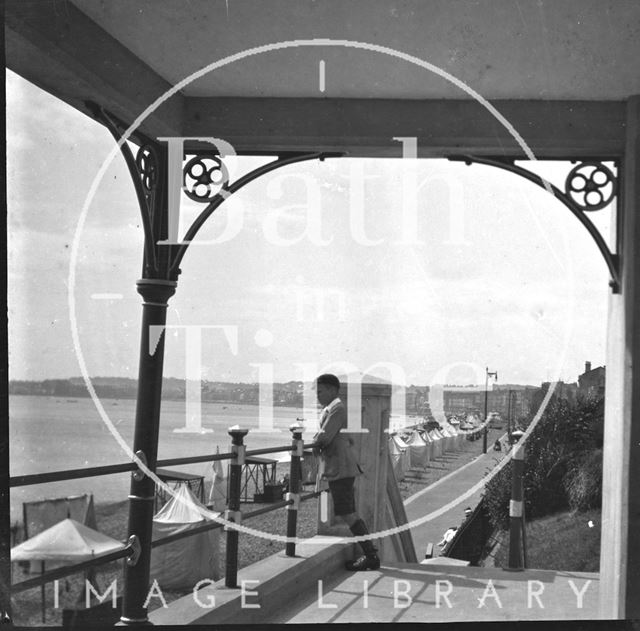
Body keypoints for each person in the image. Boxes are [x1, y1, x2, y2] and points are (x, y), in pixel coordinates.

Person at [312, 373, 380, 571]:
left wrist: (315, 443)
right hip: (340, 467)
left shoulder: (337, 409)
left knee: (348, 513)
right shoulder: (333, 408)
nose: (318, 395)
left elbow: (324, 437)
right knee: (348, 512)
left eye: (321, 391)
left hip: (340, 468)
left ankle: (371, 555)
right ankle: (370, 554)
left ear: (333, 390)